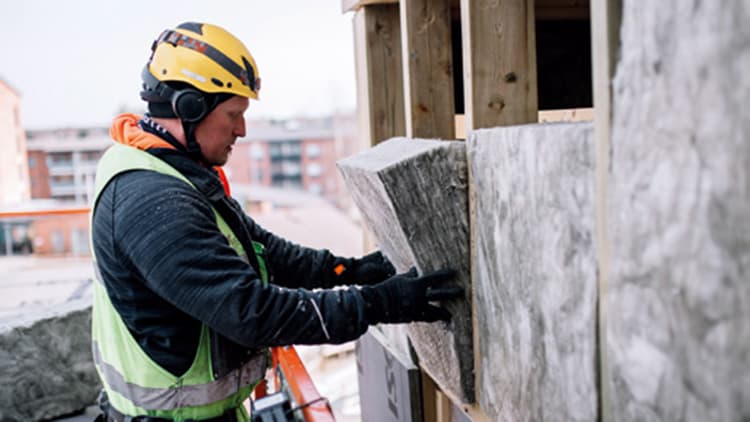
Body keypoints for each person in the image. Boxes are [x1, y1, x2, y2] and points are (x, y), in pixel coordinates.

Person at [90, 22, 462, 422]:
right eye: (233, 113)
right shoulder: (152, 203)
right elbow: (252, 313)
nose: (242, 129)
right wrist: (381, 303)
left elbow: (265, 251)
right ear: (190, 107)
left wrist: (355, 271)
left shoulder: (174, 173)